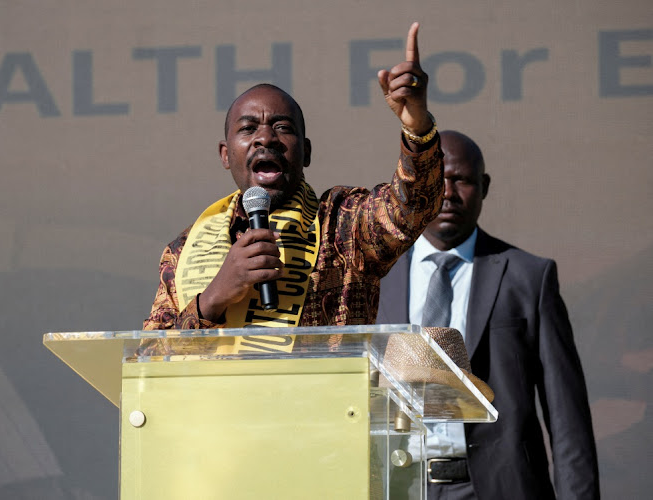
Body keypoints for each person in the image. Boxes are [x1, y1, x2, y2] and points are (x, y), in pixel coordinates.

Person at [140, 23, 444, 338]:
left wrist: (418, 128)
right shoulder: (184, 250)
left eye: (282, 127)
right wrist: (214, 297)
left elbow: (411, 209)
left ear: (306, 152)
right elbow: (149, 359)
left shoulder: (344, 224)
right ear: (226, 154)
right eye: (248, 128)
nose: (265, 138)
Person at [377, 130, 600, 499]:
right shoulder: (376, 277)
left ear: (484, 186)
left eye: (461, 180)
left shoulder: (528, 277)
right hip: (400, 485)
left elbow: (567, 419)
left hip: (498, 487)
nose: (447, 193)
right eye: (435, 181)